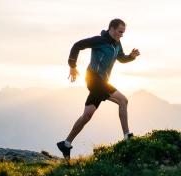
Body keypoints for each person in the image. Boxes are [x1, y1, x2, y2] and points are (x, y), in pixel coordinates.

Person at [57, 18, 140, 159]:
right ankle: (127, 137)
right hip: (94, 79)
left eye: (123, 32)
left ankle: (66, 143)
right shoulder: (99, 40)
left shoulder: (117, 43)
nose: (122, 35)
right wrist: (72, 66)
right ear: (112, 29)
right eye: (120, 31)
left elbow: (121, 58)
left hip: (103, 82)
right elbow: (77, 45)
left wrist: (131, 57)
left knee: (87, 115)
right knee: (123, 101)